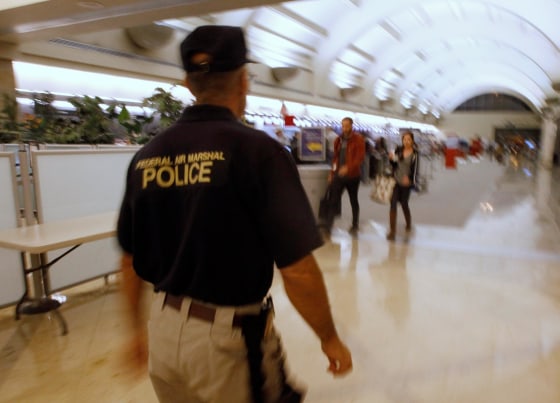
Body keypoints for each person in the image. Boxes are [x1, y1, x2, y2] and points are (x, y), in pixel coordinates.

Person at [117, 25, 352, 403]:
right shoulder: (259, 153)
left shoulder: (146, 157)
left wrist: (134, 332)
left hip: (163, 333)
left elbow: (129, 262)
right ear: (244, 81)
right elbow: (297, 269)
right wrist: (329, 338)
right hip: (225, 342)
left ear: (188, 84)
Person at [322, 117, 365, 236]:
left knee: (353, 200)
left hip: (353, 176)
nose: (345, 128)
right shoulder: (338, 140)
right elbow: (335, 158)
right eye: (343, 126)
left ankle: (355, 224)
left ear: (352, 126)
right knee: (333, 199)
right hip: (339, 175)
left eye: (347, 126)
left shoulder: (358, 139)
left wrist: (348, 168)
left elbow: (360, 158)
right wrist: (332, 173)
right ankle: (328, 225)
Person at [386, 130, 419, 241]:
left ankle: (408, 223)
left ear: (412, 141)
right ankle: (392, 231)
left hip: (406, 183)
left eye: (409, 139)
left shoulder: (415, 153)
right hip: (395, 180)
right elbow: (394, 163)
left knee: (404, 204)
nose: (406, 141)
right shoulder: (398, 149)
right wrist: (391, 159)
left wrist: (410, 180)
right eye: (404, 139)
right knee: (393, 204)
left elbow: (415, 170)